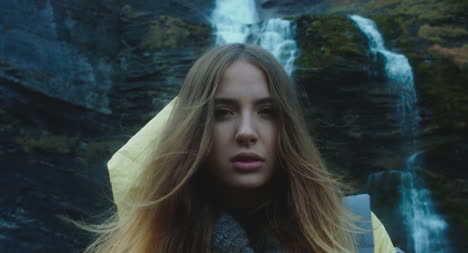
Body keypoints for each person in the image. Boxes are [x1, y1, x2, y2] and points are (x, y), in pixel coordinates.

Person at [86, 43, 397, 252]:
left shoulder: (355, 231)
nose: (246, 132)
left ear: (287, 126)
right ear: (193, 127)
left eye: (267, 112)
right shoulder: (147, 242)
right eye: (222, 112)